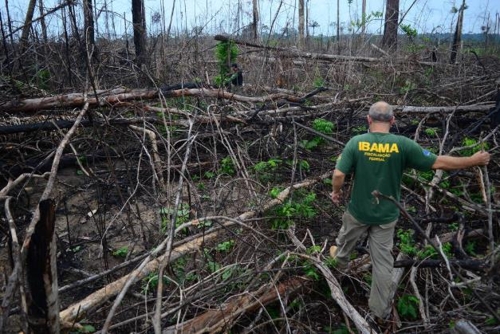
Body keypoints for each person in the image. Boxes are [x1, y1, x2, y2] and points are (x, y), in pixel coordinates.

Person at [330, 101, 490, 323]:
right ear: (392, 121)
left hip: (358, 212)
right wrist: (473, 160)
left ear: (368, 120)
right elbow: (439, 162)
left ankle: (338, 263)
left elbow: (339, 174)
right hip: (386, 216)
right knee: (383, 263)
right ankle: (379, 312)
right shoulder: (403, 145)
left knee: (344, 241)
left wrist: (336, 192)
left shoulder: (356, 142)